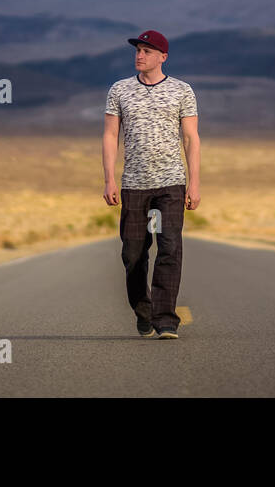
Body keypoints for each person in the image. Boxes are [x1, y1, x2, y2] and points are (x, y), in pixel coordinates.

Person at [102, 30, 200, 339]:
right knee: (133, 254)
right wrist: (109, 178)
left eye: (146, 51)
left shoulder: (182, 91)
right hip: (134, 183)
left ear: (163, 57)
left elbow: (191, 138)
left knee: (169, 247)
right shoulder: (119, 90)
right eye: (138, 50)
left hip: (171, 182)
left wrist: (194, 183)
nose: (139, 55)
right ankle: (142, 310)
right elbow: (110, 135)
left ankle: (166, 319)